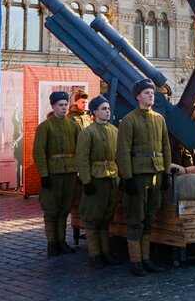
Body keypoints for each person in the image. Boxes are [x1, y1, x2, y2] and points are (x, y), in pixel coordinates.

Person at [117, 78, 172, 277]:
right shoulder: (129, 120)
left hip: (156, 173)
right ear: (138, 97)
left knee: (150, 217)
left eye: (152, 92)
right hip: (138, 176)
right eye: (147, 93)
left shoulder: (159, 119)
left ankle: (146, 258)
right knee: (135, 218)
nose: (151, 95)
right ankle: (135, 260)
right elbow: (123, 151)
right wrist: (127, 177)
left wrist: (166, 173)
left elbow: (166, 147)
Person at [33, 90, 81, 256]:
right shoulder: (45, 127)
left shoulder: (74, 126)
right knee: (52, 209)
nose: (64, 108)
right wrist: (44, 175)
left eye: (66, 104)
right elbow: (39, 152)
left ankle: (61, 241)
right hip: (53, 174)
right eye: (60, 105)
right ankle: (52, 243)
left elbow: (80, 150)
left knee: (65, 208)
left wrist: (79, 172)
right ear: (53, 106)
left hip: (70, 172)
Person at [75, 95, 121, 269]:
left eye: (108, 108)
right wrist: (86, 181)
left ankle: (106, 252)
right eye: (103, 109)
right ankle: (95, 254)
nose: (107, 111)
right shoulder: (88, 132)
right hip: (96, 179)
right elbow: (82, 158)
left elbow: (119, 156)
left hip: (111, 178)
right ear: (94, 112)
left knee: (106, 217)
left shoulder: (114, 131)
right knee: (93, 218)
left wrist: (121, 176)